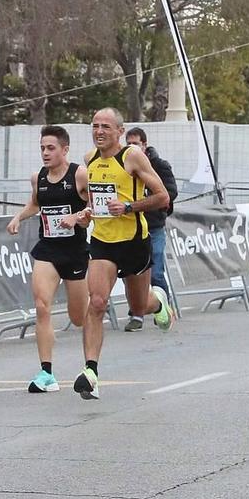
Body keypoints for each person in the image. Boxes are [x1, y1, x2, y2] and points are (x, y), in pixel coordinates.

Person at [66, 109, 172, 398]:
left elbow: (163, 197)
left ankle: (158, 303)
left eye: (105, 127)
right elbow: (94, 202)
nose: (99, 131)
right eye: (94, 126)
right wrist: (86, 215)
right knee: (97, 303)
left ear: (119, 131)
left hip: (134, 241)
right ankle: (90, 372)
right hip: (102, 242)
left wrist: (128, 207)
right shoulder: (89, 160)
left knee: (139, 307)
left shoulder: (132, 157)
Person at [6, 125, 89, 393]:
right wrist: (19, 216)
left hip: (75, 251)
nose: (45, 153)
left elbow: (96, 205)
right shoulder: (38, 177)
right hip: (48, 249)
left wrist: (76, 218)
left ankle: (90, 365)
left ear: (65, 150)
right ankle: (46, 373)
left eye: (50, 148)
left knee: (78, 317)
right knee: (42, 305)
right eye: (42, 148)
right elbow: (36, 204)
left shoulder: (80, 174)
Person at [125, 125, 179, 306]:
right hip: (131, 228)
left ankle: (164, 307)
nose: (132, 147)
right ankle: (136, 312)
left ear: (144, 145)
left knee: (156, 272)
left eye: (136, 143)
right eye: (128, 144)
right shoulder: (123, 165)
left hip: (154, 226)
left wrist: (150, 201)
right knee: (132, 274)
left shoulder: (159, 166)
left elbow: (170, 192)